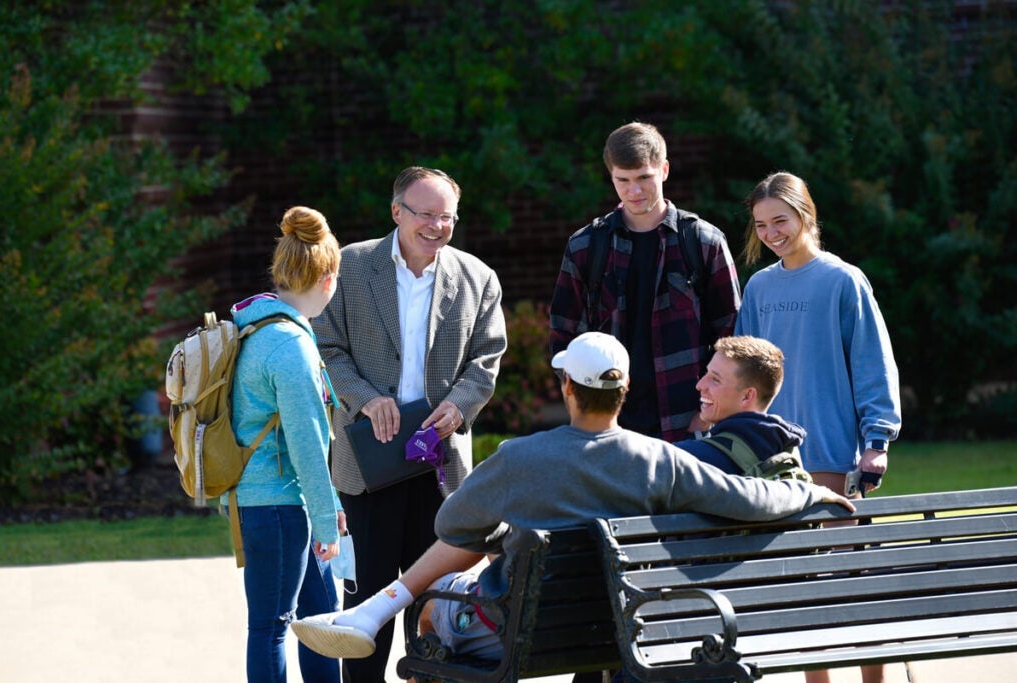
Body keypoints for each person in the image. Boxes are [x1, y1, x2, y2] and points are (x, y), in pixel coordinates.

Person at [290, 331, 855, 665]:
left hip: (517, 631)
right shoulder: (662, 460)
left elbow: (452, 521)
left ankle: (376, 609)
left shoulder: (519, 459)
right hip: (621, 625)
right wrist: (809, 497)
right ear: (624, 390)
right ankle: (370, 612)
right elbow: (749, 498)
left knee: (436, 607)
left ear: (566, 388)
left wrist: (507, 525)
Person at [312, 166, 508, 682]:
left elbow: (488, 357)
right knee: (365, 602)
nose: (437, 226)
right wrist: (366, 399)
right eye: (426, 214)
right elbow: (324, 347)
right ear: (397, 212)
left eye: (447, 216)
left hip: (440, 470)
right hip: (365, 463)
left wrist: (460, 405)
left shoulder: (478, 277)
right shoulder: (349, 268)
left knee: (433, 604)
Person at [734, 172, 902, 683]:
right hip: (777, 466)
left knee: (852, 587)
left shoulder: (843, 280)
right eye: (761, 225)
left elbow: (874, 365)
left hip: (834, 458)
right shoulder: (759, 287)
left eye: (779, 220)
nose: (771, 233)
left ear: (805, 215)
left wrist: (876, 442)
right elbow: (743, 372)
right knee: (804, 591)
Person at [549, 121, 741, 444]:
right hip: (608, 426)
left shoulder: (703, 241)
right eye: (622, 180)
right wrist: (585, 408)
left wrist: (708, 413)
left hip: (687, 425)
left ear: (664, 170)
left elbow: (733, 337)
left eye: (643, 178)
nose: (634, 191)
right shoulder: (586, 247)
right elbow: (563, 337)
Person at [227, 206, 347, 682]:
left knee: (320, 621)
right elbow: (307, 443)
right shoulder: (289, 346)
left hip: (278, 502)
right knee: (272, 628)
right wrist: (326, 521)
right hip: (276, 507)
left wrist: (326, 507)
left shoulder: (255, 326)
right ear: (327, 278)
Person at [679, 334, 808, 478]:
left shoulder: (689, 458)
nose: (700, 385)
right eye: (706, 373)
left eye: (715, 379)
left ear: (747, 396)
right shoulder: (787, 454)